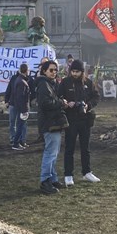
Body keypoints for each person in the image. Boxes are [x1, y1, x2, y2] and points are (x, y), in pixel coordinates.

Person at [57, 59, 101, 187]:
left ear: (82, 72)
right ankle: (68, 175)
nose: (75, 74)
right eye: (73, 71)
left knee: (85, 148)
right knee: (69, 148)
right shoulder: (65, 82)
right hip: (71, 119)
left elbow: (96, 96)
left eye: (77, 71)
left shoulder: (88, 82)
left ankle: (87, 172)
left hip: (86, 119)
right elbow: (59, 97)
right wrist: (66, 103)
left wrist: (88, 105)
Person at [37, 60, 68, 195]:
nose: (54, 72)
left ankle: (53, 178)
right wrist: (61, 102)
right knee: (50, 153)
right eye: (51, 70)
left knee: (54, 153)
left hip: (53, 122)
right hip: (49, 123)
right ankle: (45, 181)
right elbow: (45, 103)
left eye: (55, 70)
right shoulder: (44, 84)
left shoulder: (50, 84)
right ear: (44, 71)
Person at [10, 63, 30, 150]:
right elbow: (21, 97)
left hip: (20, 107)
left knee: (20, 125)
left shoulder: (19, 80)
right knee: (20, 125)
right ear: (26, 70)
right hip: (22, 108)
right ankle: (16, 143)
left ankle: (18, 142)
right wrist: (23, 110)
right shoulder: (22, 82)